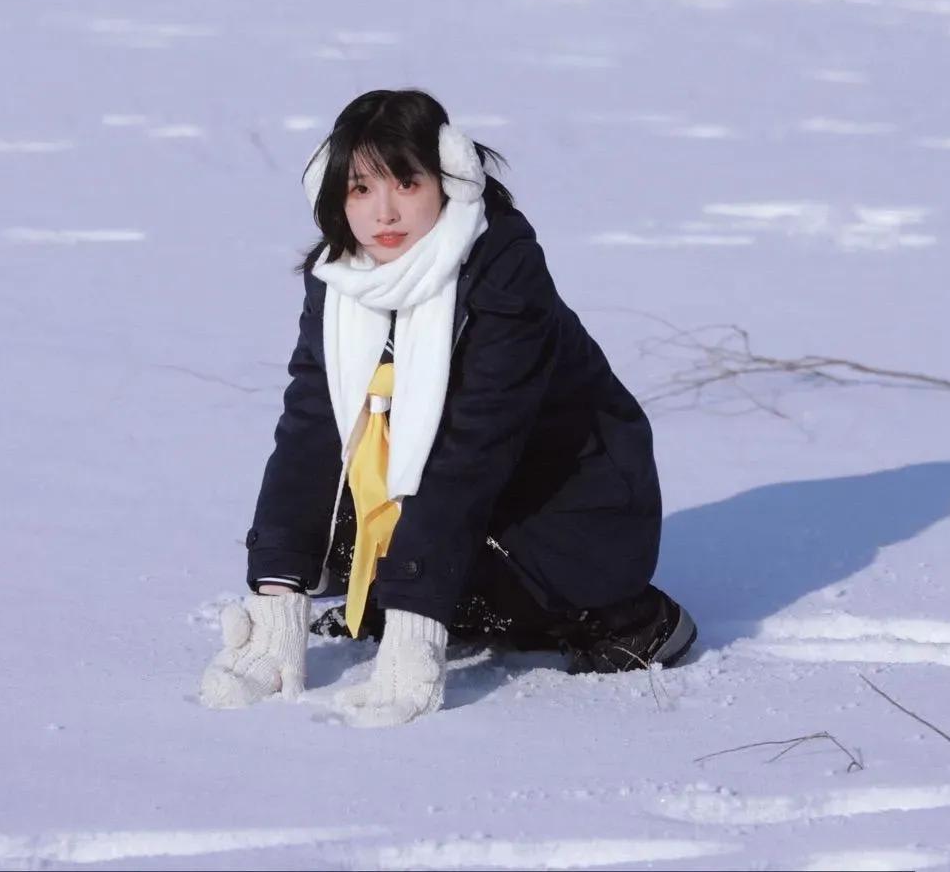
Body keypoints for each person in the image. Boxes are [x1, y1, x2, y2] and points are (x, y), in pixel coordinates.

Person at [200, 89, 695, 726]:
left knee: (521, 581)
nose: (383, 212)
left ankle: (633, 619)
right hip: (464, 499)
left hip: (563, 508)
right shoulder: (342, 281)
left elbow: (470, 453)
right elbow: (311, 432)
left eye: (406, 183)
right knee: (337, 519)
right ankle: (441, 595)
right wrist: (277, 597)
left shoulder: (504, 275)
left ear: (452, 178)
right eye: (359, 189)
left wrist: (414, 622)